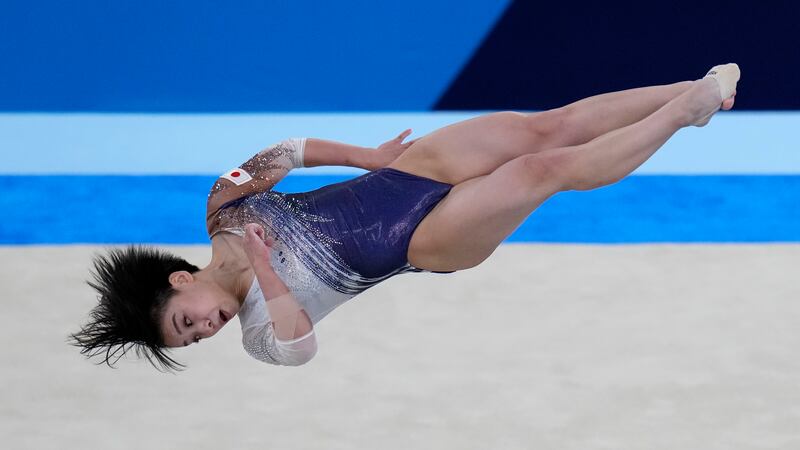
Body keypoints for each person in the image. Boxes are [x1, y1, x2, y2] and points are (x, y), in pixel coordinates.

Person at [70, 64, 740, 370]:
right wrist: (268, 275)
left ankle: (698, 88)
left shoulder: (223, 203)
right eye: (194, 341)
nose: (206, 330)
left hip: (402, 176)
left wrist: (367, 156)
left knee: (548, 128)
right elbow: (300, 349)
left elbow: (287, 152)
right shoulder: (260, 336)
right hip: (423, 242)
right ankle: (684, 114)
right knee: (540, 170)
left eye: (186, 323)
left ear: (180, 281)